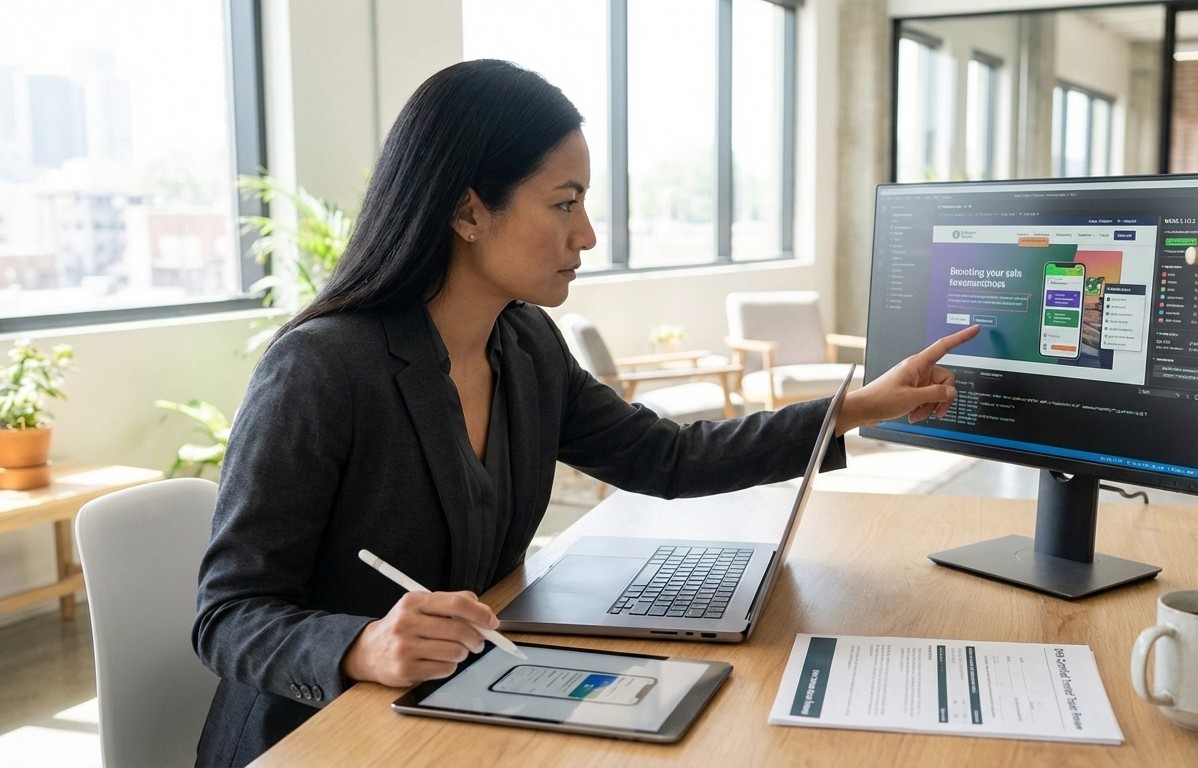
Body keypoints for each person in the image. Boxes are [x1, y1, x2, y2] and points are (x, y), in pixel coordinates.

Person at [192, 59, 980, 766]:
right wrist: (362, 645)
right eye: (564, 203)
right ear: (468, 212)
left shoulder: (526, 345)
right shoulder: (321, 369)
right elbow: (228, 615)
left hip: (461, 707)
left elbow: (666, 457)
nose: (589, 235)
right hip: (316, 735)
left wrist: (852, 408)